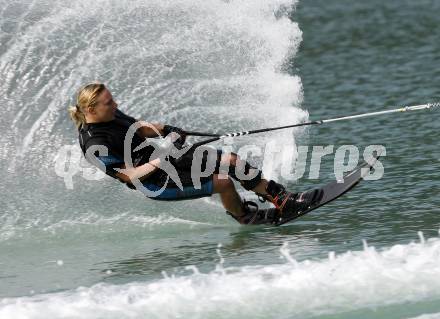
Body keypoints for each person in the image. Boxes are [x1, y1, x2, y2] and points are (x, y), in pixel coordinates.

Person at [68, 83, 316, 225]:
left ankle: (280, 198)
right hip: (156, 182)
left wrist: (166, 129)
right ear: (91, 109)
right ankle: (245, 217)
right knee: (223, 182)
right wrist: (162, 159)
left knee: (231, 161)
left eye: (112, 100)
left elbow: (139, 127)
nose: (116, 105)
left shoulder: (110, 113)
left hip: (164, 157)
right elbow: (129, 176)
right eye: (109, 103)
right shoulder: (94, 144)